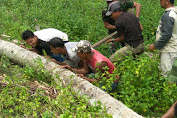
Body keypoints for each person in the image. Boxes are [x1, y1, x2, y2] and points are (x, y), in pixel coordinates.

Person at [147, 0, 177, 76]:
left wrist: (155, 45)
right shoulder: (174, 13)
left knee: (168, 76)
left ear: (167, 1)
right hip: (174, 48)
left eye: (161, 0)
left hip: (169, 50)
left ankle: (170, 88)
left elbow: (166, 35)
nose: (160, 2)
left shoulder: (168, 15)